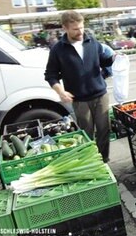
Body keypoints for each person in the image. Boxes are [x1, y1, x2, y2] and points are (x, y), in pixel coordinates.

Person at [44, 10, 117, 163]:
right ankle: (91, 161)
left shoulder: (92, 42)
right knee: (87, 133)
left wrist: (114, 58)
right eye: (75, 29)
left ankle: (103, 160)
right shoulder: (58, 50)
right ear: (65, 28)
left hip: (100, 94)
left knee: (104, 129)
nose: (80, 32)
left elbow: (103, 61)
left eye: (82, 27)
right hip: (80, 100)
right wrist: (61, 91)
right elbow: (50, 75)